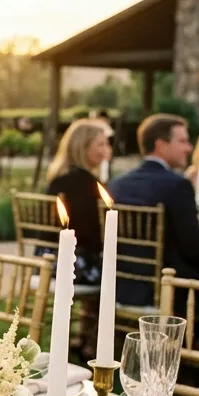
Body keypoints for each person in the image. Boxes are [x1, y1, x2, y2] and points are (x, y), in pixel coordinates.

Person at [109, 114, 199, 305]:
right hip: (167, 289)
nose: (189, 148)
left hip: (121, 284)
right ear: (161, 145)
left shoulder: (117, 184)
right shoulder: (177, 186)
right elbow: (193, 248)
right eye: (183, 141)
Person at [45, 118, 111, 277]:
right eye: (100, 144)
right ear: (83, 147)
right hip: (77, 266)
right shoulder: (87, 184)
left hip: (47, 260)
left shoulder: (58, 178)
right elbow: (92, 234)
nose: (106, 150)